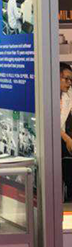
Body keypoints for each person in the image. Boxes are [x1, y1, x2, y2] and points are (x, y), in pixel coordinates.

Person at [60, 63, 72, 200]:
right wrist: (67, 139)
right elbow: (52, 123)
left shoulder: (67, 94)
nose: (69, 83)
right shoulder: (46, 96)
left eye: (71, 80)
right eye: (66, 79)